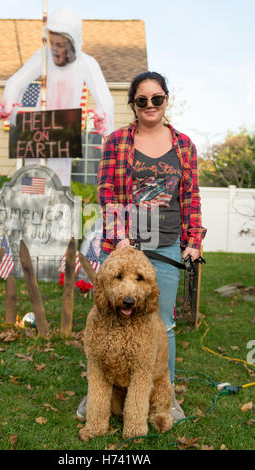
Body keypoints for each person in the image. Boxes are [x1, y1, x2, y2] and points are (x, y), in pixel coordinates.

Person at [77, 71, 207, 422]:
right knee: (107, 318)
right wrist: (120, 238)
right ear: (133, 104)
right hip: (121, 245)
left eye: (157, 99)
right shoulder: (117, 141)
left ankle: (165, 396)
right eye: (142, 100)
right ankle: (98, 397)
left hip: (163, 246)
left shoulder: (184, 145)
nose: (150, 105)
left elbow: (190, 197)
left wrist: (193, 240)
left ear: (166, 100)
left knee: (161, 323)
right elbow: (106, 192)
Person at [0, 5, 114, 138]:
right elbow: (15, 82)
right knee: (35, 158)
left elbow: (105, 100)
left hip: (64, 135)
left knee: (59, 159)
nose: (54, 49)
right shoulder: (43, 57)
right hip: (40, 131)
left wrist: (105, 124)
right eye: (52, 43)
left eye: (60, 45)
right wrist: (6, 107)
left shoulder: (86, 63)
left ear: (72, 45)